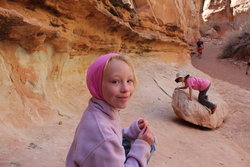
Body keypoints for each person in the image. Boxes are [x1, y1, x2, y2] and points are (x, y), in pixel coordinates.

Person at [66, 53, 156, 167]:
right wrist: (143, 145)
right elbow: (106, 138)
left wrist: (132, 131)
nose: (125, 89)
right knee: (148, 144)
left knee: (145, 138)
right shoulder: (102, 134)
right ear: (96, 84)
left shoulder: (99, 108)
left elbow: (113, 135)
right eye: (115, 81)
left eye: (129, 81)